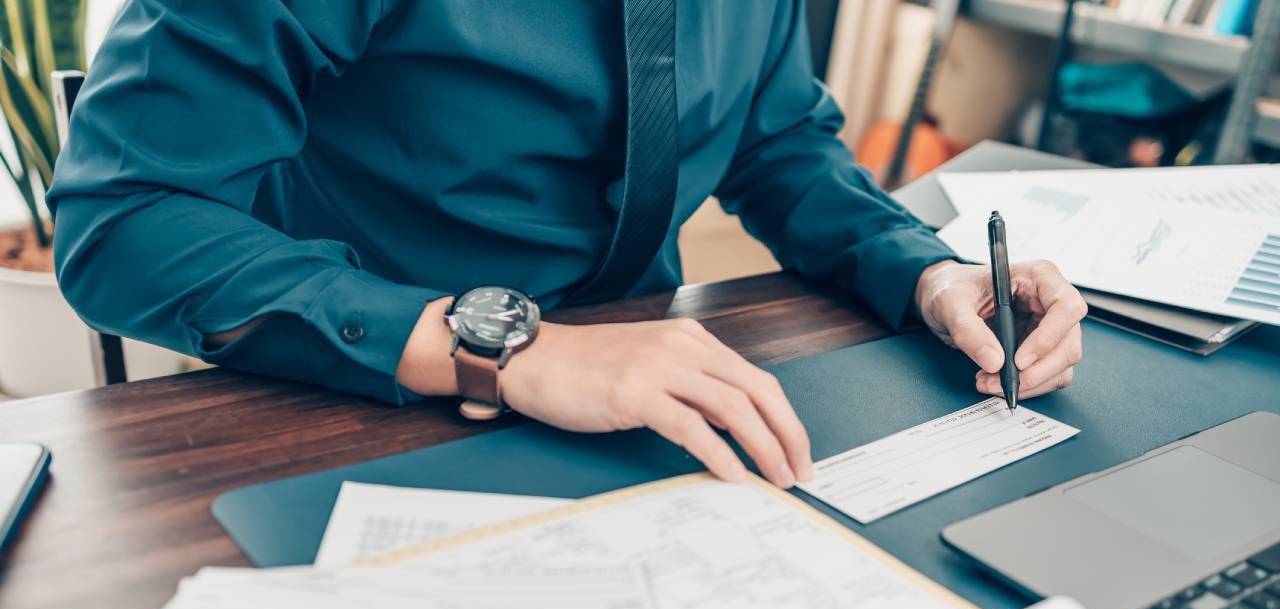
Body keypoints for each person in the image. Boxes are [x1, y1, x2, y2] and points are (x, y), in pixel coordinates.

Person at [49, 1, 1086, 491]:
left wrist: (926, 271)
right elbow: (122, 220)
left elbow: (776, 143)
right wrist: (513, 350)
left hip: (650, 404)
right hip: (349, 401)